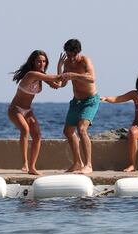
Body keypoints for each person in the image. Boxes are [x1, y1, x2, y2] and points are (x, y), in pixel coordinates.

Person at [8, 50, 61, 175]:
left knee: (37, 135)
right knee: (25, 130)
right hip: (15, 109)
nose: (42, 63)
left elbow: (58, 85)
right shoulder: (31, 74)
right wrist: (66, 73)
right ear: (33, 62)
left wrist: (59, 67)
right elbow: (57, 78)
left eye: (44, 61)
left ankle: (32, 167)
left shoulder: (42, 76)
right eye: (39, 61)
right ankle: (25, 163)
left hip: (28, 111)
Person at [57, 39, 100, 174]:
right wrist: (60, 67)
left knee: (82, 129)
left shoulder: (85, 61)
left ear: (78, 52)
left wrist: (73, 75)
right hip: (76, 101)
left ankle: (88, 165)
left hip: (90, 100)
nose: (70, 58)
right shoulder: (67, 63)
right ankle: (77, 162)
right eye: (68, 55)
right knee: (68, 132)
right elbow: (62, 83)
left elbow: (92, 78)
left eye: (72, 55)